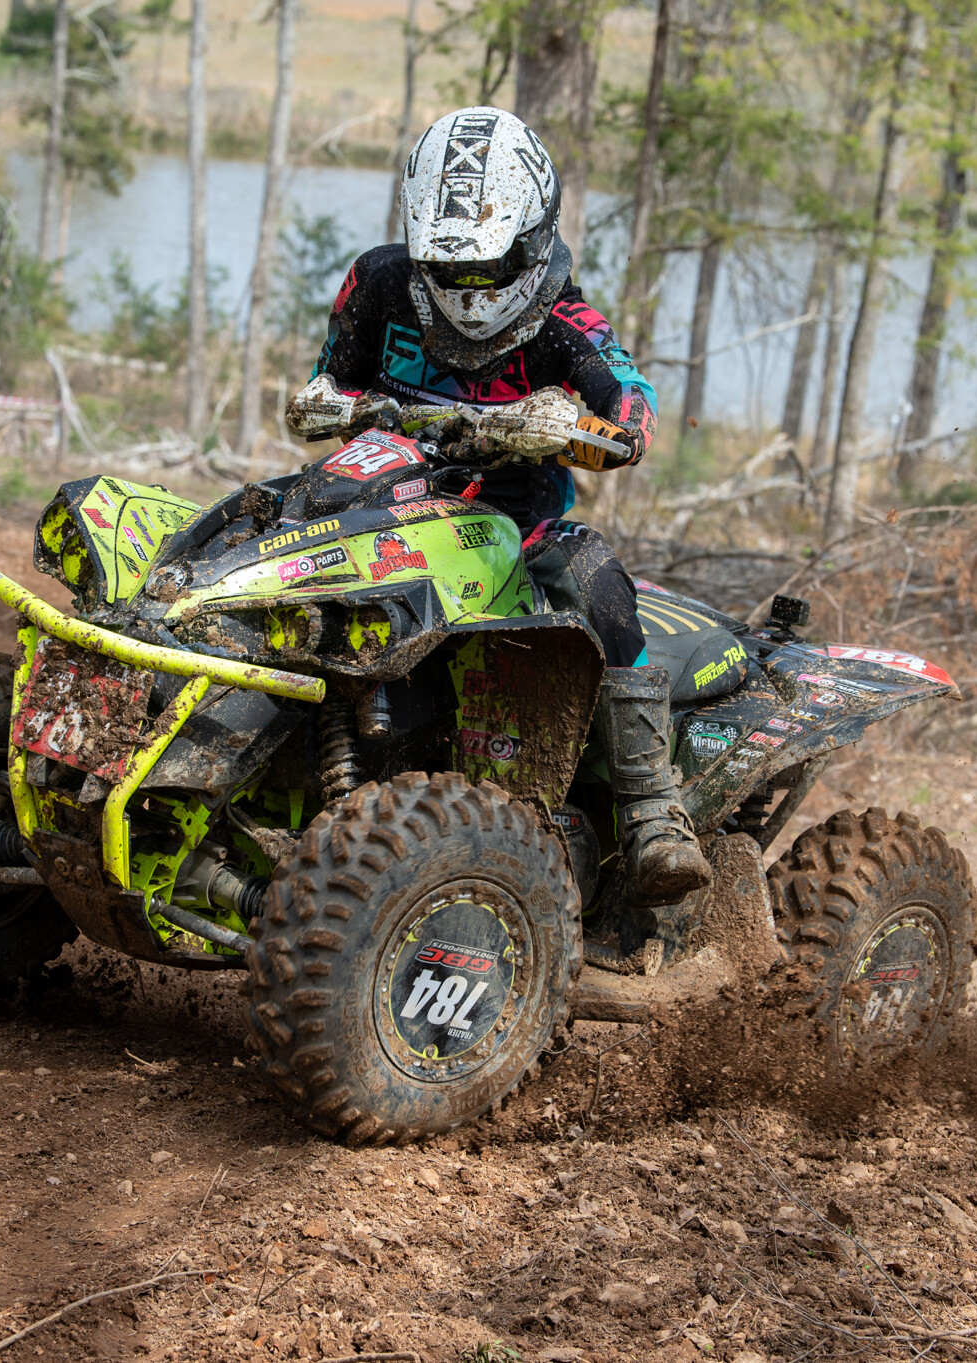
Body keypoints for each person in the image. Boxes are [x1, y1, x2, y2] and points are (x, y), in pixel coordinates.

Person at [283, 106, 710, 905]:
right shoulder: (380, 281)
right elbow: (328, 378)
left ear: (533, 235)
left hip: (514, 529)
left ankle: (653, 806)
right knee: (265, 534)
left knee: (595, 571)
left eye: (487, 267)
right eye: (451, 271)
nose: (471, 289)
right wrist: (333, 405)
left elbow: (633, 402)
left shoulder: (565, 321)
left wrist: (588, 431)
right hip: (380, 505)